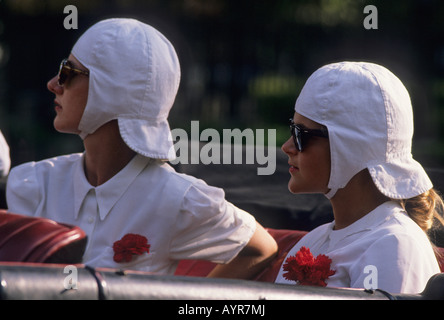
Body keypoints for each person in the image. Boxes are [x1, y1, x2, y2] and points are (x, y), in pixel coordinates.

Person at [6, 18, 277, 277]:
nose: (53, 84)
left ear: (111, 89)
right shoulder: (34, 183)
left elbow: (261, 248)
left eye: (68, 72)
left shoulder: (176, 198)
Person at [275, 61, 443, 293]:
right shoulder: (314, 241)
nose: (286, 146)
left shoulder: (394, 245)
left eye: (300, 134)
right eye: (292, 129)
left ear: (350, 147)